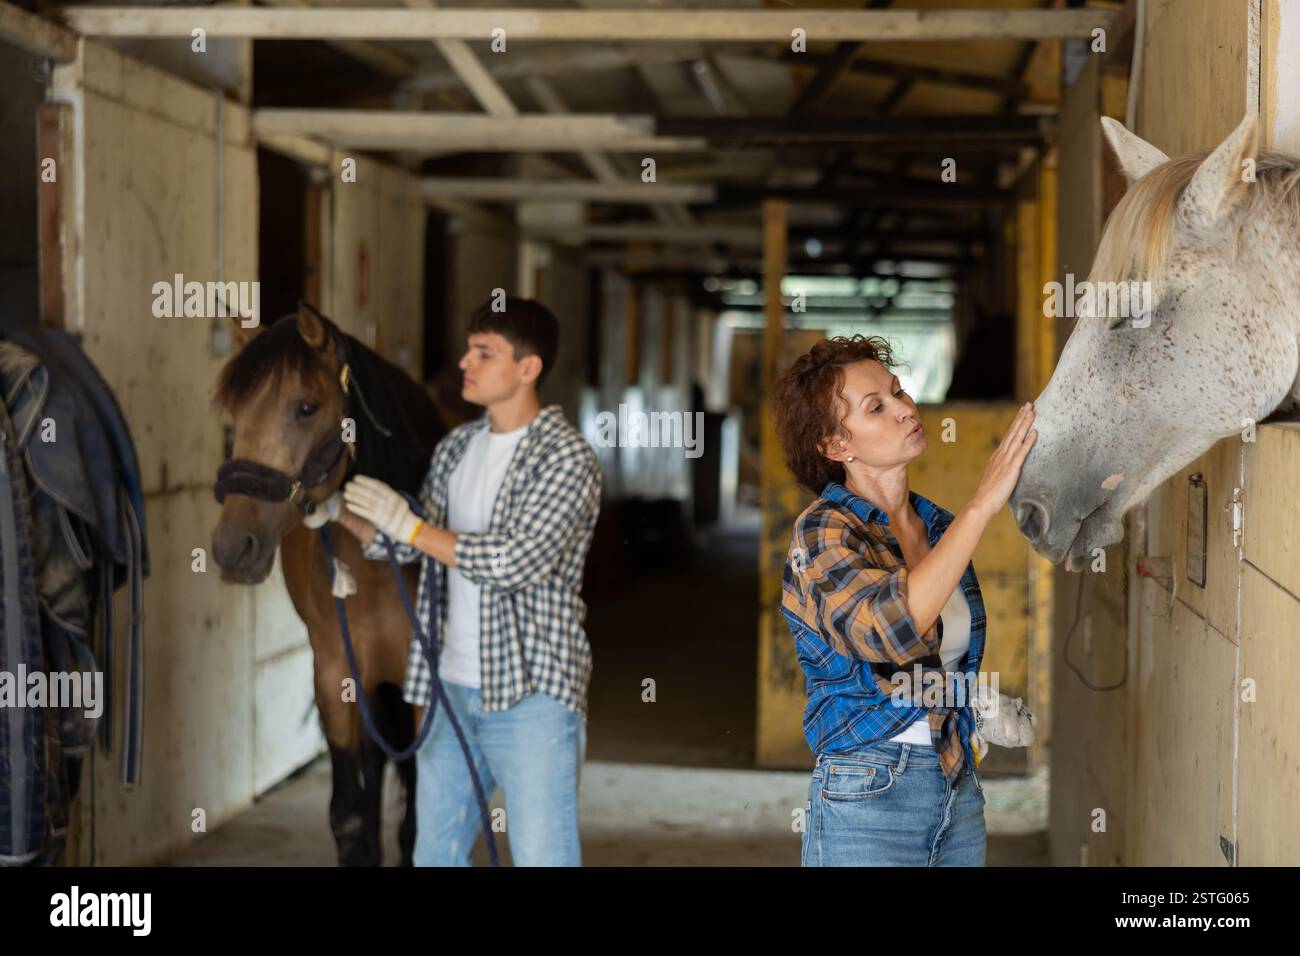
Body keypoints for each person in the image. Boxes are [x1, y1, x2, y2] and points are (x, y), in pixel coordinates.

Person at [329, 295, 602, 866]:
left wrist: (410, 525)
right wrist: (343, 517)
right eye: (468, 350)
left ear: (528, 369)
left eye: (484, 353)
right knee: (435, 855)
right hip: (447, 689)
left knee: (543, 857)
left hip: (532, 696)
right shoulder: (455, 449)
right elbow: (417, 548)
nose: (464, 363)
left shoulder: (567, 458)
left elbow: (516, 560)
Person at [772, 334, 1036, 867]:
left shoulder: (934, 525)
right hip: (868, 793)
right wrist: (982, 506)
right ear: (834, 445)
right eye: (877, 407)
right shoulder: (821, 533)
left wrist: (974, 706)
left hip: (956, 788)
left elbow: (935, 661)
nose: (904, 409)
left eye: (898, 392)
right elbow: (890, 630)